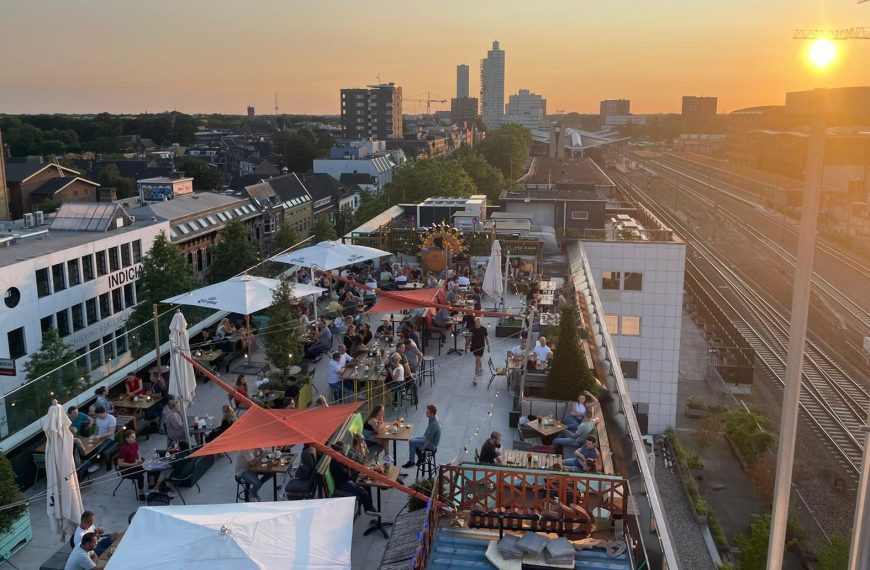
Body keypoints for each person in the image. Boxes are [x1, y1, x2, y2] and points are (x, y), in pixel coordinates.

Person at [328, 442, 379, 516]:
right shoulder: (335, 463)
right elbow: (348, 475)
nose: (345, 450)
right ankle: (367, 509)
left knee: (367, 484)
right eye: (344, 449)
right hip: (343, 484)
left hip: (347, 479)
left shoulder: (340, 457)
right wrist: (354, 472)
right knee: (363, 492)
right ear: (339, 450)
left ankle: (370, 507)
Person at [116, 430, 146, 501]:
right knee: (140, 476)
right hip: (126, 469)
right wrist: (132, 464)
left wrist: (139, 459)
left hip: (135, 464)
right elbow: (120, 463)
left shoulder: (135, 443)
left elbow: (138, 452)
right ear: (127, 438)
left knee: (150, 467)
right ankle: (141, 492)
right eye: (132, 437)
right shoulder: (124, 448)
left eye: (134, 437)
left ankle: (152, 484)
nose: (134, 439)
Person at [468, 316, 490, 381]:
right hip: (474, 347)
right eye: (476, 321)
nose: (478, 323)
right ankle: (480, 369)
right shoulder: (471, 329)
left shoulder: (484, 329)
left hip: (481, 347)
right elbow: (469, 338)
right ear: (475, 322)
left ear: (481, 322)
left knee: (477, 360)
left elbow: (486, 338)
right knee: (478, 359)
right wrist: (466, 346)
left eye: (479, 322)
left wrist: (488, 346)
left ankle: (475, 376)